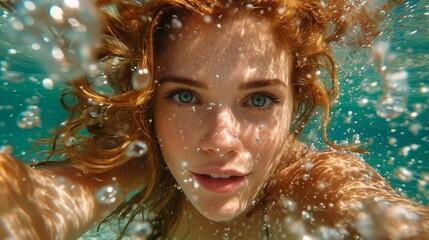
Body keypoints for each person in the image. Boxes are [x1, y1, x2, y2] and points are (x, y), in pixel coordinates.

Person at [0, 0, 428, 239]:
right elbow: (36, 199)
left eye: (259, 100)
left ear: (295, 103)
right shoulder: (140, 163)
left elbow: (383, 220)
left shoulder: (308, 186)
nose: (221, 141)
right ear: (149, 104)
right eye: (185, 96)